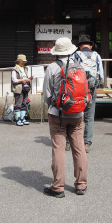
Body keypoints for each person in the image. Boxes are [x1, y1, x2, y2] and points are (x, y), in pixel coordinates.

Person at [42, 37, 87, 197]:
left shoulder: (52, 68)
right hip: (78, 114)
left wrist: (55, 105)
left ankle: (58, 187)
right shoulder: (80, 67)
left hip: (58, 114)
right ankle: (81, 184)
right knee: (79, 148)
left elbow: (47, 94)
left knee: (59, 149)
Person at [70, 35, 104, 152]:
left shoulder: (76, 55)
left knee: (74, 114)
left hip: (77, 89)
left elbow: (72, 72)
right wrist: (94, 84)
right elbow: (102, 77)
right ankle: (86, 143)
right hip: (91, 89)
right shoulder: (97, 56)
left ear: (80, 46)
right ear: (91, 46)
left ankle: (70, 142)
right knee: (89, 116)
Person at [11, 54, 32, 126]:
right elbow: (14, 80)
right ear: (19, 61)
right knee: (18, 104)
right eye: (23, 61)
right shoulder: (15, 69)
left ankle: (23, 118)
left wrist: (28, 79)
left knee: (24, 104)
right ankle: (17, 119)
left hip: (25, 88)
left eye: (25, 61)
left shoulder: (25, 68)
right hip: (18, 88)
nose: (24, 62)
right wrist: (24, 79)